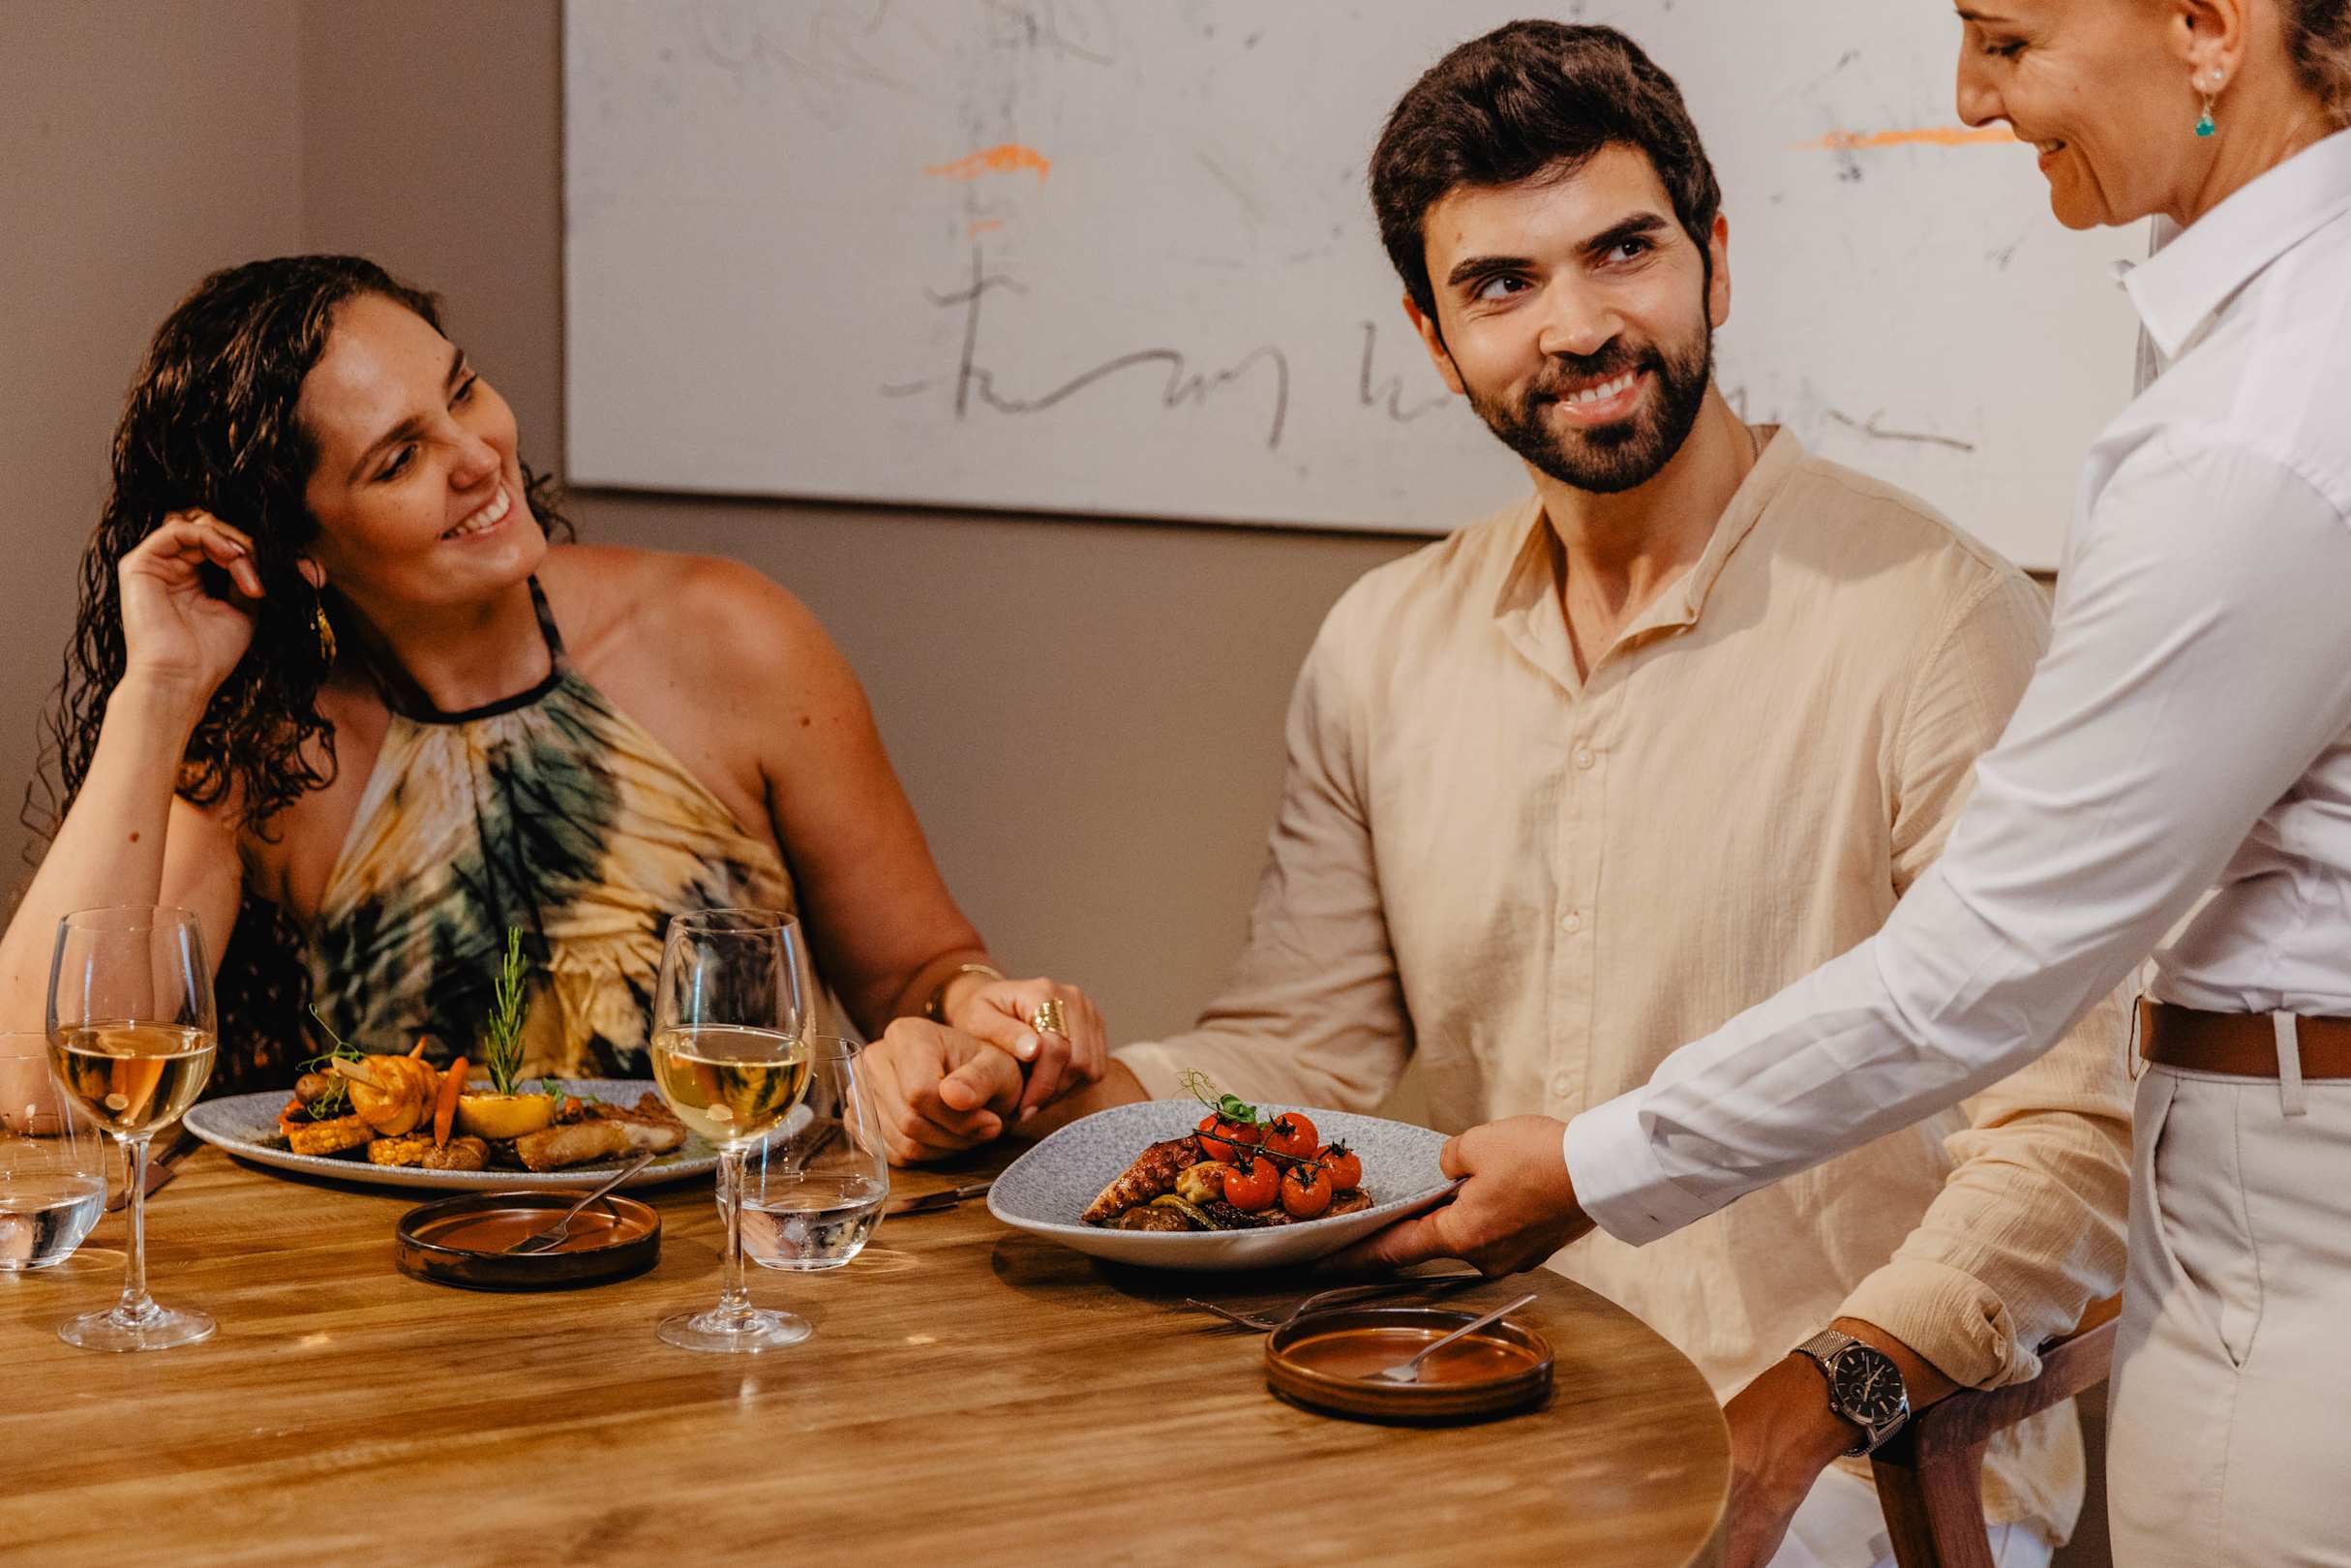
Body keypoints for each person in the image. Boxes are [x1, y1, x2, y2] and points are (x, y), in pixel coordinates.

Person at [884, 24, 2129, 1567]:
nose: (1579, 326)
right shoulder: (1383, 643)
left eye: (1623, 251)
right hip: (1459, 1395)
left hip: (1835, 1465)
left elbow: (2069, 1138)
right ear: (1432, 336)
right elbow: (1298, 1057)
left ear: (1715, 258)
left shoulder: (1939, 621)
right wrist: (1049, 1093)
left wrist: (1793, 1422)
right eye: (1500, 284)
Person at [1347, 4, 2351, 1563]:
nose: (1968, 95)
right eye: (1501, 281)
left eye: (2004, 36)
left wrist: (1606, 1176)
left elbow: (1994, 974)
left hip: (2285, 1233)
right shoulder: (1385, 639)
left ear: (2208, 28)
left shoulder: (2247, 427)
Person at [0, 255, 1104, 1126]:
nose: (478, 455)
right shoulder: (269, 749)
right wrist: (160, 691)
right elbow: (40, 1089)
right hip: (420, 1315)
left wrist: (978, 1010)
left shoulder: (728, 635)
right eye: (399, 458)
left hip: (743, 1280)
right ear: (300, 550)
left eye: (462, 390)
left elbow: (918, 972)